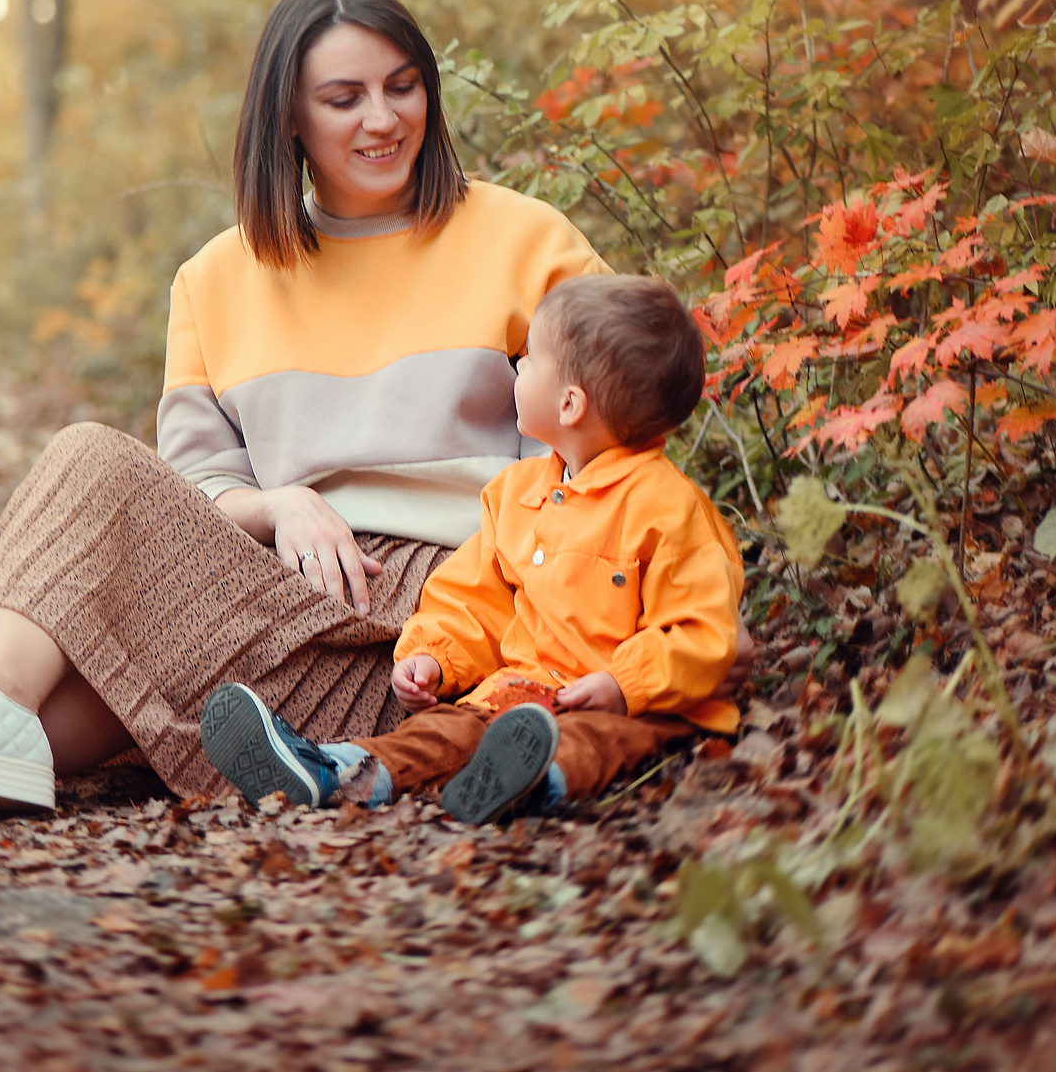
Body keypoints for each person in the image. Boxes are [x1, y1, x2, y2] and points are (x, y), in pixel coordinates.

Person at [0, 0, 614, 820]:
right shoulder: (216, 277)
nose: (381, 118)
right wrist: (279, 502)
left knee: (99, 519)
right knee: (101, 482)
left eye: (402, 88)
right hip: (277, 591)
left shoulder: (525, 240)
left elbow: (607, 447)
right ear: (288, 115)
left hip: (449, 620)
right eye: (344, 96)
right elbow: (199, 487)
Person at [198, 273, 741, 825]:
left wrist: (626, 685)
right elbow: (474, 597)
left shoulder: (668, 508)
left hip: (638, 704)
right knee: (442, 731)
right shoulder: (517, 495)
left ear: (571, 404)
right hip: (518, 696)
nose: (518, 368)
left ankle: (534, 784)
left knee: (599, 740)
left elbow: (701, 628)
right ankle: (331, 771)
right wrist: (435, 656)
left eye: (529, 359)